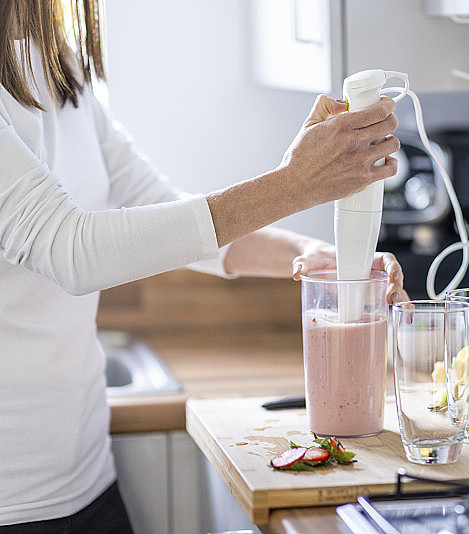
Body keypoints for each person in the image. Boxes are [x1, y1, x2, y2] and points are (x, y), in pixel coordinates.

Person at [0, 1, 408, 532]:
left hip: (84, 474)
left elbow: (174, 218)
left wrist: (333, 261)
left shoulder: (59, 68)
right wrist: (293, 184)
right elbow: (72, 250)